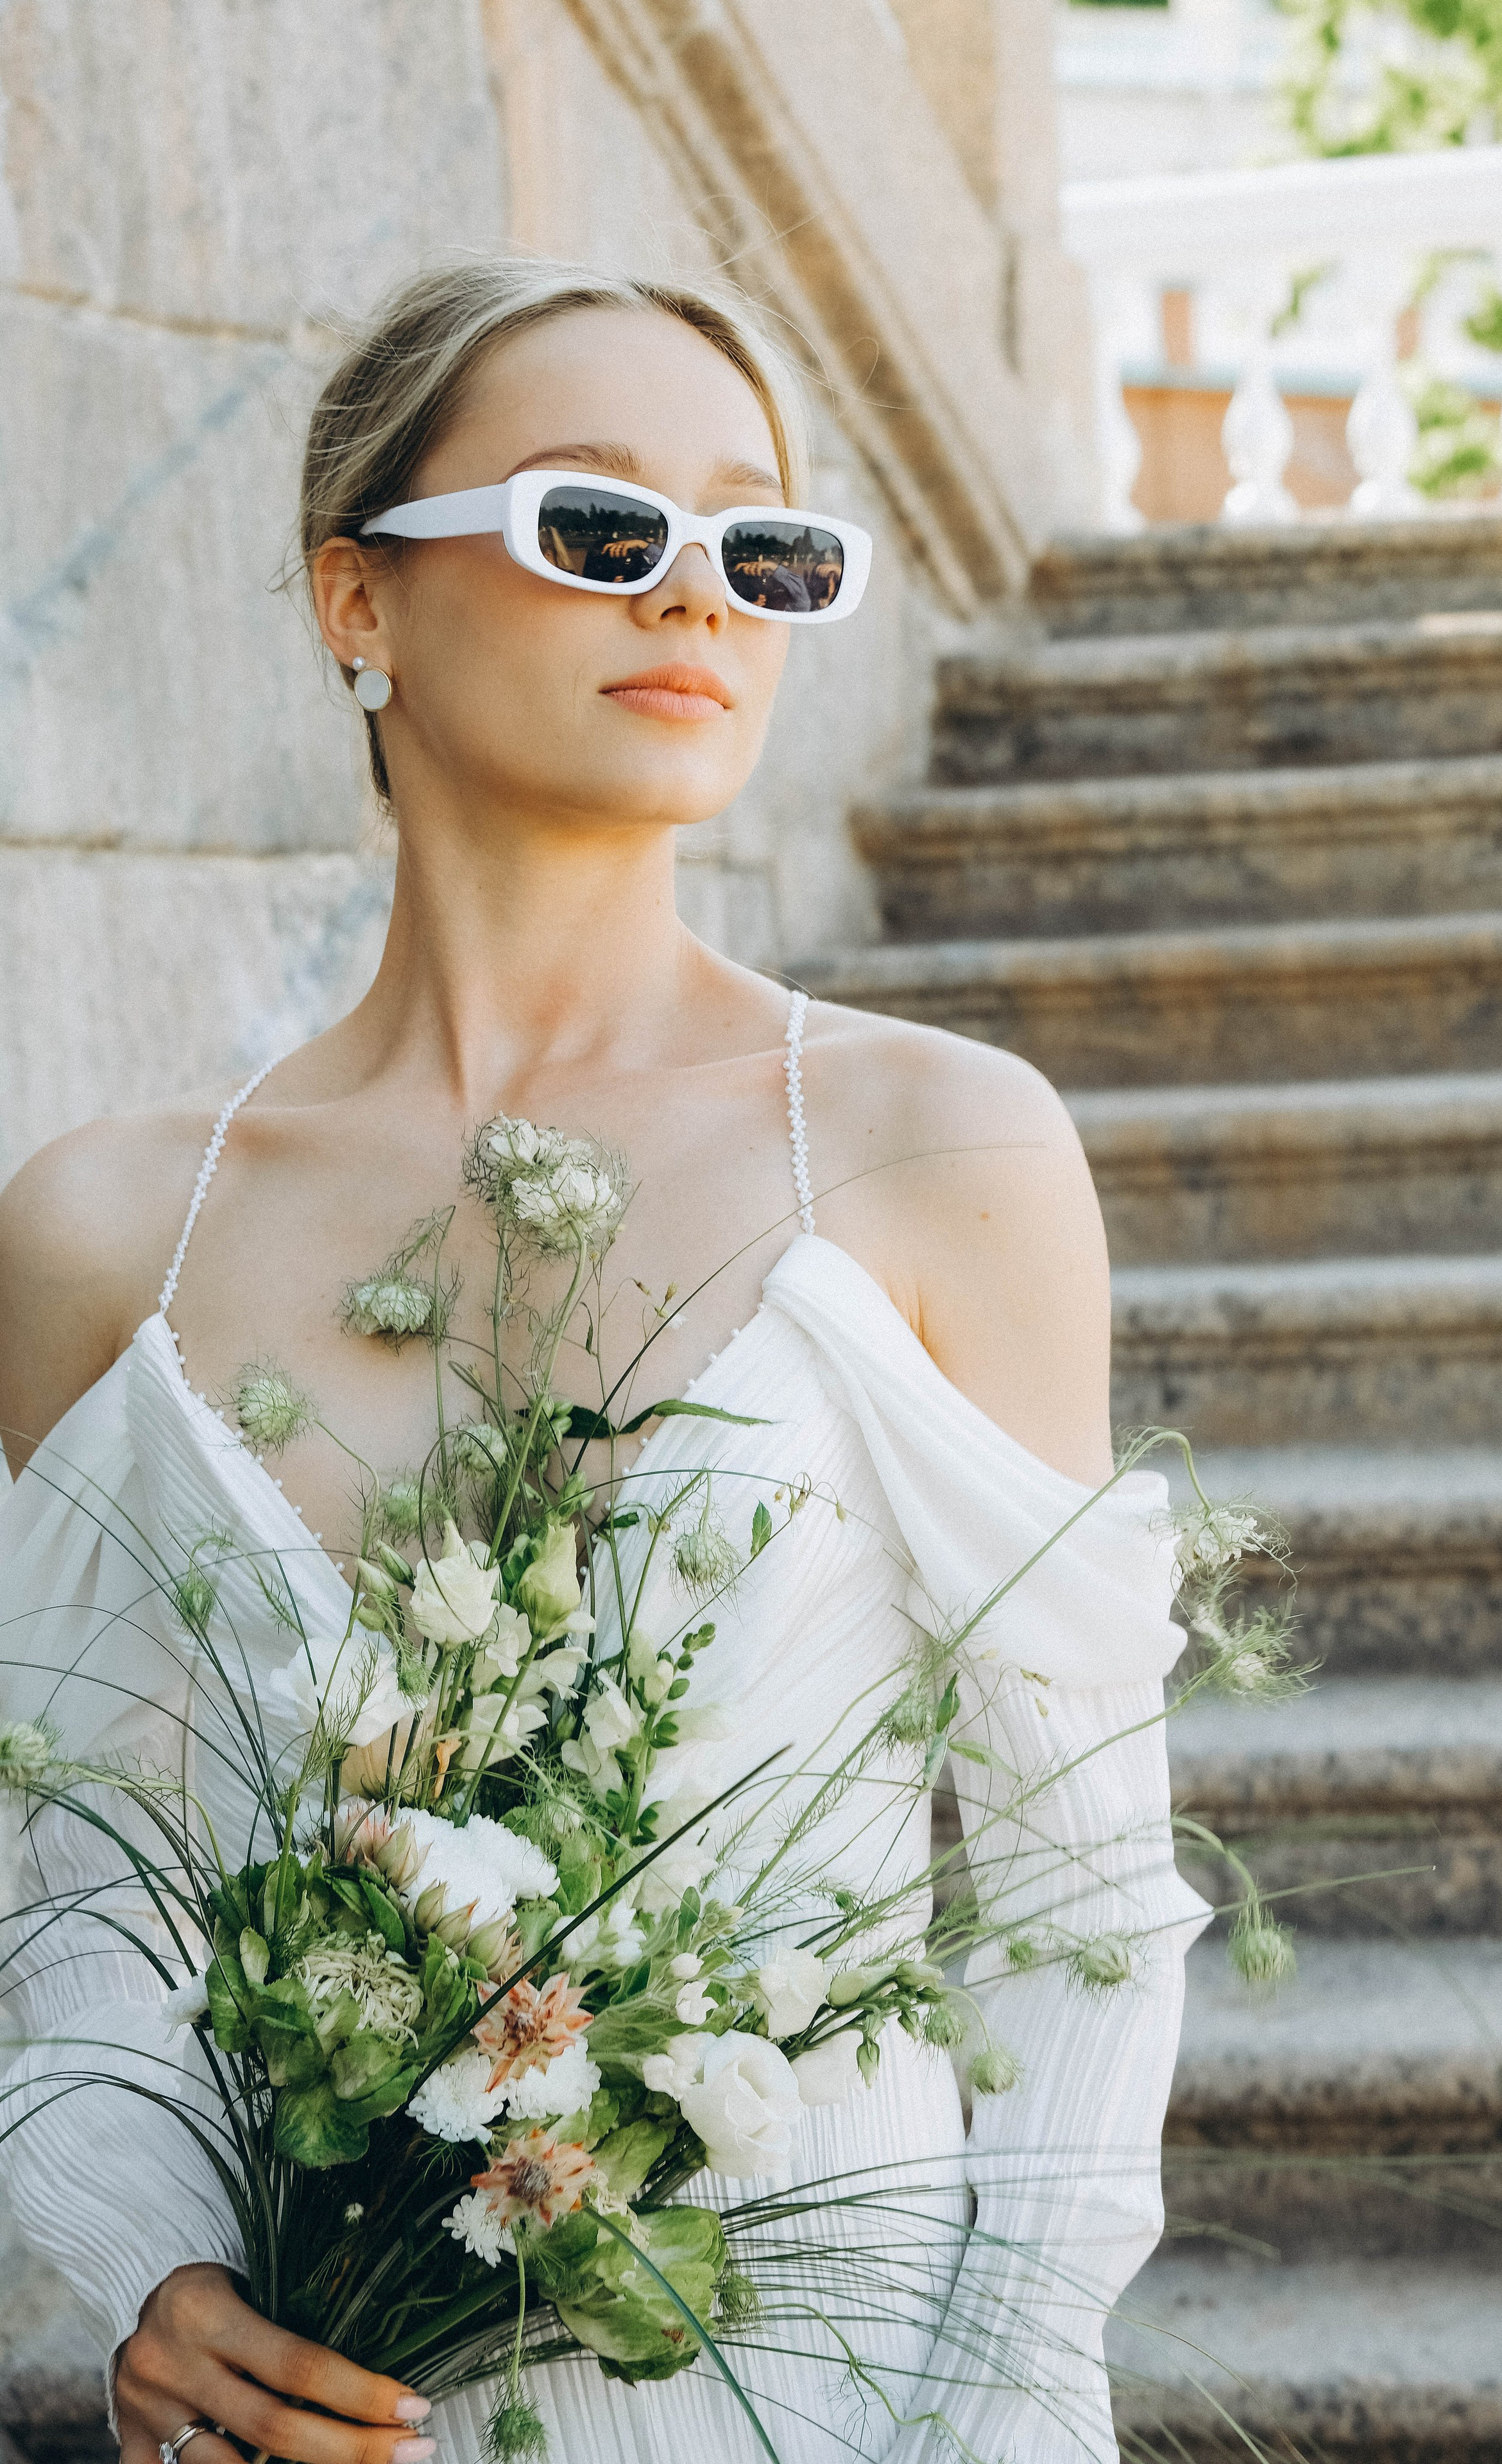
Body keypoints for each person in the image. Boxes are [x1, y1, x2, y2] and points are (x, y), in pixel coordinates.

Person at [0, 257, 1207, 2464]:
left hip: (822, 2414)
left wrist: (1005, 2426)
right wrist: (156, 2266)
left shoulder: (942, 1153)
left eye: (764, 547)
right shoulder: (103, 1234)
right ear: (357, 602)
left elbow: (1077, 1906)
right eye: (599, 527)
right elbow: (73, 1873)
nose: (700, 601)